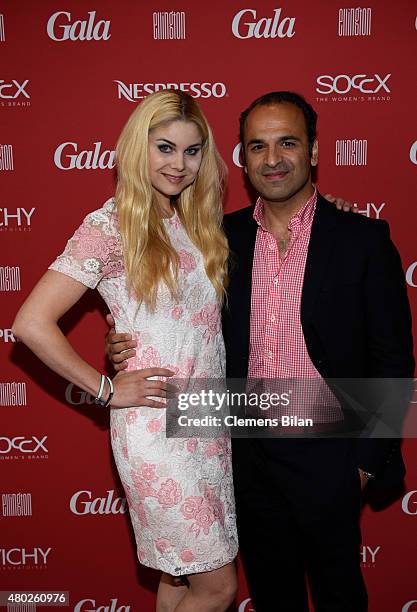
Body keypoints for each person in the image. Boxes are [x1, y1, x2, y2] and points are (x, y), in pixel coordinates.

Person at [107, 91, 414, 611]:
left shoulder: (361, 240)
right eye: (257, 146)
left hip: (330, 443)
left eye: (287, 143)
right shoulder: (214, 238)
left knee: (340, 594)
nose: (272, 159)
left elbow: (394, 362)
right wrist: (125, 343)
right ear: (242, 158)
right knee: (273, 596)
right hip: (241, 446)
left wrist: (363, 462)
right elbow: (169, 312)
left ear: (314, 152)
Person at [12, 90, 238, 612]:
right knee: (218, 586)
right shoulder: (109, 225)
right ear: (138, 148)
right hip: (157, 428)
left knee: (178, 579)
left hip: (207, 424)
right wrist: (106, 388)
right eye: (164, 148)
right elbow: (31, 322)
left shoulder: (193, 225)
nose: (179, 165)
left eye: (192, 150)